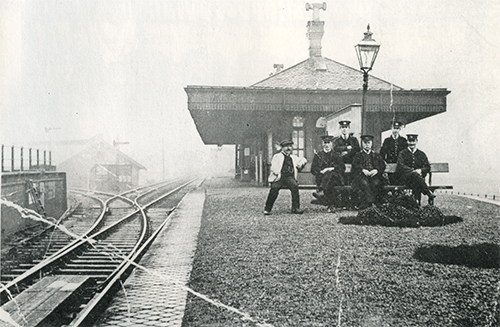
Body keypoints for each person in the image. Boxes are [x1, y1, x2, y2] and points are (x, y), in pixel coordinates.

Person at [264, 140, 307, 215]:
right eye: (286, 146)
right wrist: (278, 173)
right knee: (274, 188)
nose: (288, 148)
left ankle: (295, 208)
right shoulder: (277, 156)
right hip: (279, 177)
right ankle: (267, 209)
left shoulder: (293, 157)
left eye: (290, 146)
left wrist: (301, 163)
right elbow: (273, 168)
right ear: (282, 148)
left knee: (294, 186)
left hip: (289, 177)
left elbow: (303, 160)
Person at [396, 134, 436, 205]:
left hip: (417, 180)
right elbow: (400, 166)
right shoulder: (402, 153)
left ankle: (417, 204)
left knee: (416, 181)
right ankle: (427, 193)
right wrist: (413, 171)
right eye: (409, 141)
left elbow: (427, 167)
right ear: (407, 142)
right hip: (406, 179)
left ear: (416, 141)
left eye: (413, 141)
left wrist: (420, 170)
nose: (411, 143)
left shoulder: (421, 154)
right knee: (415, 176)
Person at [310, 135, 345, 211]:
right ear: (322, 144)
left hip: (336, 178)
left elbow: (342, 168)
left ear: (332, 144)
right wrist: (320, 171)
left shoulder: (337, 155)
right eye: (325, 143)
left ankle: (322, 191)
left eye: (328, 142)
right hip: (322, 178)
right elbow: (313, 169)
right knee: (328, 177)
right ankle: (331, 204)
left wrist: (330, 168)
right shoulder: (318, 155)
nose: (327, 145)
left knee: (331, 174)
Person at [352, 135, 386, 209]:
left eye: (368, 143)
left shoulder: (376, 155)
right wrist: (363, 170)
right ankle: (368, 203)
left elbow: (382, 165)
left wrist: (376, 170)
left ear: (371, 143)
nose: (367, 145)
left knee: (376, 183)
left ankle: (375, 203)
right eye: (365, 143)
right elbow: (355, 166)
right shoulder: (358, 155)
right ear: (362, 144)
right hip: (362, 176)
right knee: (364, 183)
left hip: (374, 176)